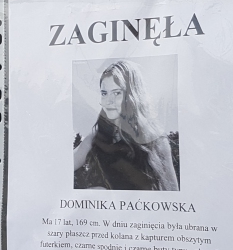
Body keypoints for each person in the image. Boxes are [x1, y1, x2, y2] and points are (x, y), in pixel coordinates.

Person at [73, 60, 179, 191]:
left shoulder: (156, 140)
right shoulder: (98, 136)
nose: (108, 101)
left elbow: (172, 193)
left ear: (132, 95)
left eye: (116, 93)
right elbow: (63, 166)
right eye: (104, 93)